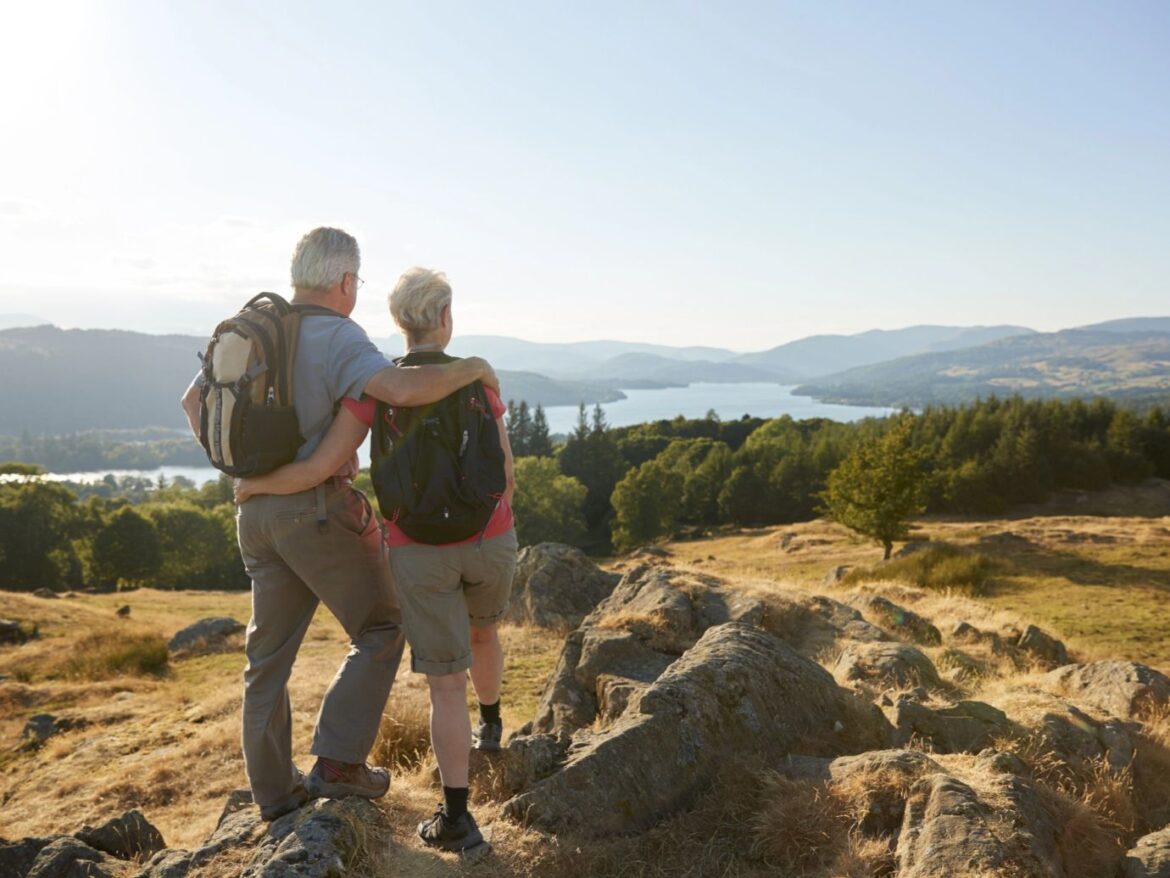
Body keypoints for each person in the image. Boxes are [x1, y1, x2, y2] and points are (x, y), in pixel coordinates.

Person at [179, 228, 499, 822]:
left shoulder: (251, 328)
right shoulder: (337, 334)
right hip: (319, 510)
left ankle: (274, 796)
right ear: (346, 282)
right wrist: (474, 368)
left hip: (253, 514)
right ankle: (338, 762)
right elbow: (401, 387)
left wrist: (243, 474)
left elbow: (192, 404)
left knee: (266, 659)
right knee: (383, 623)